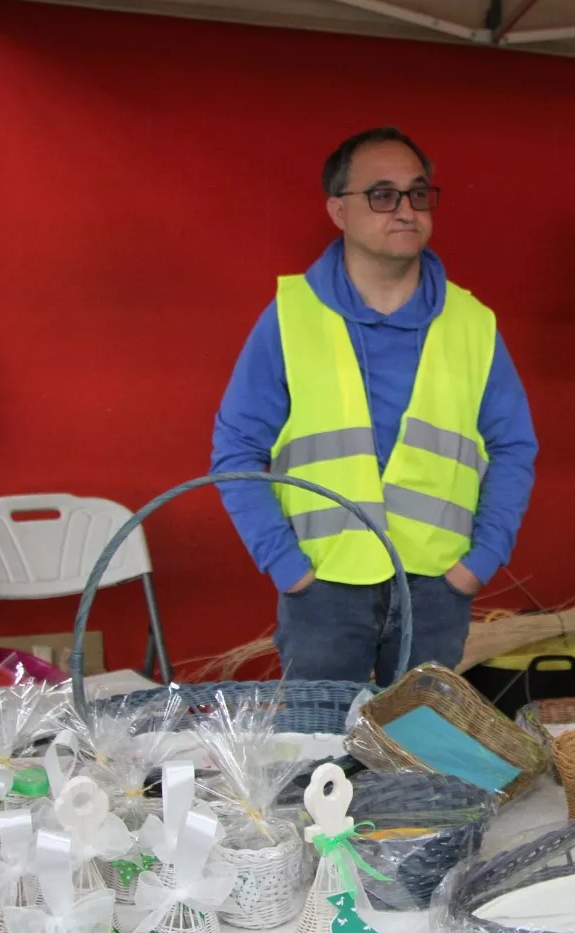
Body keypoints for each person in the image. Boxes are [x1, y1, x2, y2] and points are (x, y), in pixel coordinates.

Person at [211, 126, 537, 684]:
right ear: (338, 211)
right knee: (317, 761)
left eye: (417, 193)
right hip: (324, 591)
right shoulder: (292, 316)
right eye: (382, 195)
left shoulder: (473, 324)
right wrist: (290, 570)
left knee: (419, 763)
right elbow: (235, 451)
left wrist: (476, 566)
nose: (405, 209)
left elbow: (513, 448)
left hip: (437, 590)